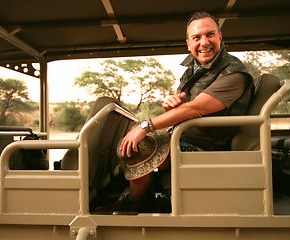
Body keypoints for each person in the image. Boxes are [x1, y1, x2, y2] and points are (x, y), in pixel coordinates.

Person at [95, 11, 254, 214]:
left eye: (210, 35)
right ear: (188, 43)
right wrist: (171, 108)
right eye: (197, 38)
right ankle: (133, 194)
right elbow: (185, 108)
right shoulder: (195, 68)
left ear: (220, 37)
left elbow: (196, 108)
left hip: (208, 145)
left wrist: (146, 126)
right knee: (126, 139)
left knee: (138, 144)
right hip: (187, 136)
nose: (204, 42)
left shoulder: (234, 72)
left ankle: (137, 202)